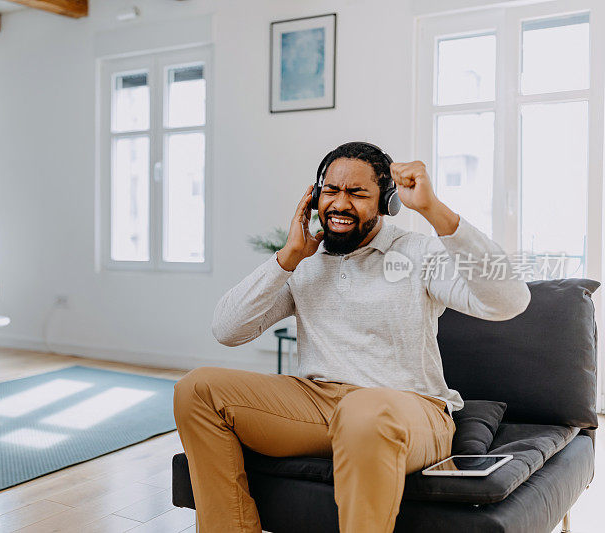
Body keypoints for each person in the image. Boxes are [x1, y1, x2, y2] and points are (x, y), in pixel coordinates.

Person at [173, 142, 531, 533]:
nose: (340, 204)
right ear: (314, 196)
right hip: (319, 406)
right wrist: (288, 258)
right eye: (330, 190)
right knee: (198, 389)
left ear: (387, 203)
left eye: (357, 193)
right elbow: (227, 329)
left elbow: (509, 301)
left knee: (362, 412)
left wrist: (434, 210)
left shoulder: (416, 252)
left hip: (408, 408)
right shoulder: (304, 263)